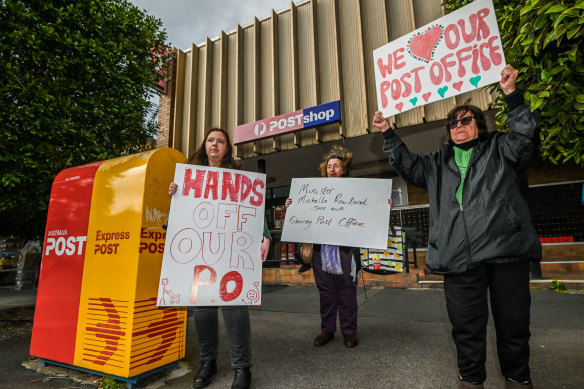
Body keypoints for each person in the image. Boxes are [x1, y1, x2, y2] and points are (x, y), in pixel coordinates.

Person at [372, 64, 540, 389]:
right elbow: (406, 163)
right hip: (457, 259)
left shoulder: (502, 148)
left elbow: (525, 139)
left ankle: (518, 380)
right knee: (466, 329)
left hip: (507, 254)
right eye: (453, 122)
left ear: (479, 124)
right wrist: (388, 132)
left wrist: (512, 95)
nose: (458, 125)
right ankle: (471, 381)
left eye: (465, 120)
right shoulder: (435, 163)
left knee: (514, 326)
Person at [169, 128, 270, 389]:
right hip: (201, 252)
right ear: (205, 145)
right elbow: (180, 217)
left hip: (230, 252)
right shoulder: (188, 177)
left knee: (235, 308)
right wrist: (176, 196)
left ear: (227, 149)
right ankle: (208, 363)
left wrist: (266, 235)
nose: (215, 144)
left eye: (221, 141)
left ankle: (242, 367)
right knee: (202, 308)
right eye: (211, 140)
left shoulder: (238, 177)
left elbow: (253, 209)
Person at [285, 145, 362, 348]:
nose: (332, 169)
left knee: (347, 292)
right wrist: (292, 207)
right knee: (326, 293)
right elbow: (302, 217)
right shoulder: (313, 192)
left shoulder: (356, 192)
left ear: (343, 169)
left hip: (345, 251)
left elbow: (365, 216)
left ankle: (349, 331)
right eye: (329, 166)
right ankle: (327, 329)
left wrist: (382, 205)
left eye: (336, 166)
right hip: (321, 251)